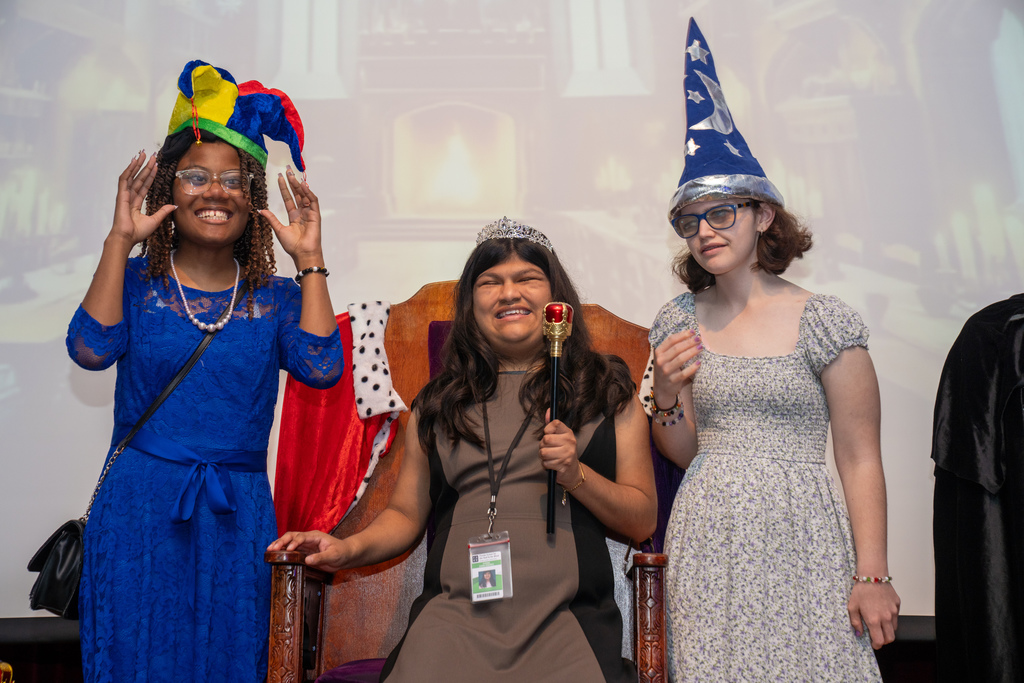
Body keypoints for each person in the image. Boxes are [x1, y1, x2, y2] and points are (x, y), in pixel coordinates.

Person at [271, 218, 657, 682]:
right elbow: (404, 516)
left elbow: (642, 519)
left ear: (557, 301)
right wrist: (345, 549)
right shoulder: (438, 404)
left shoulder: (607, 391)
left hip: (567, 621)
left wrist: (576, 474)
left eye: (527, 279)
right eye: (490, 282)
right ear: (470, 306)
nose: (509, 293)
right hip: (454, 619)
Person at [66, 61, 344, 682]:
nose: (214, 192)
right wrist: (119, 240)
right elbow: (89, 347)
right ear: (169, 188)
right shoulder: (138, 283)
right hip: (139, 506)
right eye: (195, 175)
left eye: (233, 180)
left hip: (237, 512)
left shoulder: (277, 297)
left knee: (231, 659)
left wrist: (311, 261)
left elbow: (322, 368)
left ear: (251, 197)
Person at [640, 19, 900, 681]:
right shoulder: (677, 318)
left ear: (763, 215)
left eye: (721, 212)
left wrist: (872, 572)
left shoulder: (825, 321)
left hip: (805, 536)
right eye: (691, 220)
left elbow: (860, 455)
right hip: (710, 540)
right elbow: (683, 449)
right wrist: (666, 396)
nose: (705, 231)